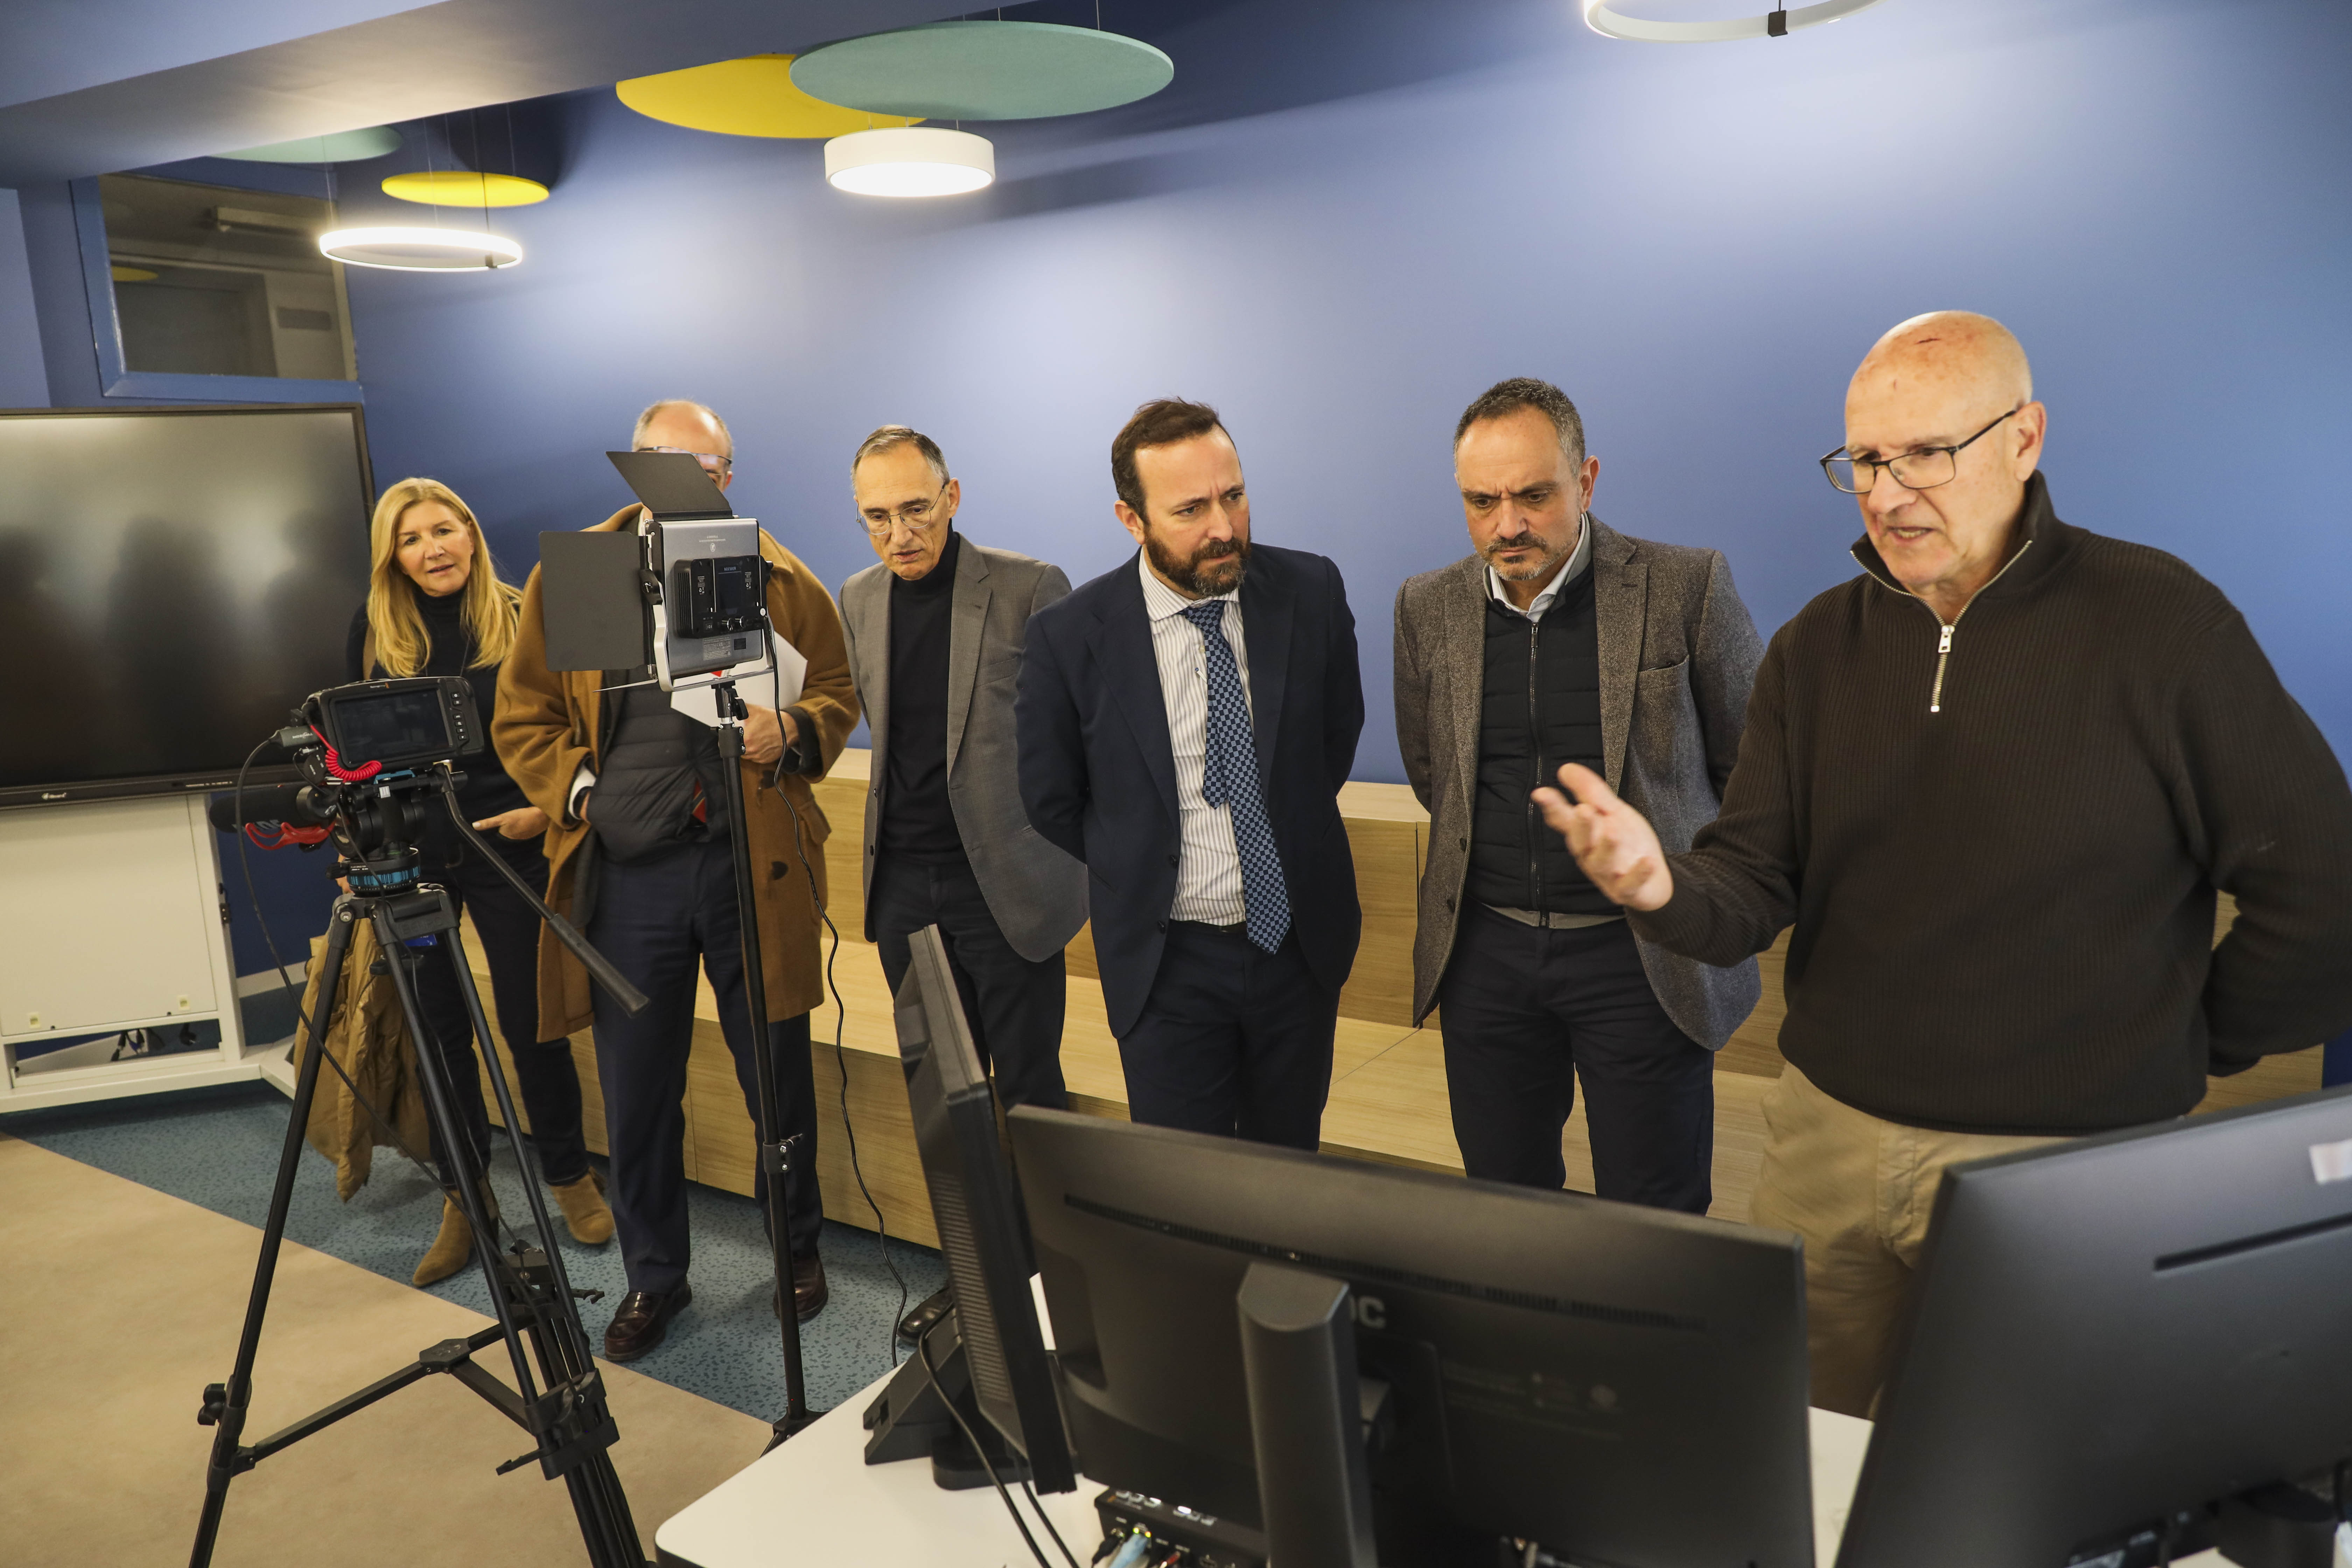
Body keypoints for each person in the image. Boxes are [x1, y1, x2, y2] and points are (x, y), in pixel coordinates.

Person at [1537, 312, 2352, 1416]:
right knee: (1781, 1440)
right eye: (1867, 460)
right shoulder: (1818, 647)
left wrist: (2188, 1041)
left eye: (1926, 453)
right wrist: (1660, 885)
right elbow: (1754, 880)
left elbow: (2325, 892)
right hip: (1826, 1144)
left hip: (2064, 1165)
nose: (1887, 494)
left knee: (2018, 1464)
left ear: (2025, 438)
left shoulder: (2164, 625)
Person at [496, 400, 860, 1361]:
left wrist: (798, 729)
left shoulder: (778, 575)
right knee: (638, 1092)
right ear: (634, 463)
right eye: (661, 458)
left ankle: (796, 1250)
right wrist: (580, 794)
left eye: (703, 466)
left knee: (776, 1080)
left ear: (728, 478)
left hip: (751, 865)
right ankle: (655, 1276)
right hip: (630, 877)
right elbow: (525, 715)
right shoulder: (583, 573)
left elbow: (836, 689)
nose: (680, 478)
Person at [1394, 379, 1763, 1215]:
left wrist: (1689, 893)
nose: (1508, 524)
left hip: (1640, 955)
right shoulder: (1425, 605)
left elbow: (1751, 769)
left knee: (1656, 1210)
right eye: (1482, 501)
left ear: (1586, 480)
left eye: (1534, 495)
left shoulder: (1685, 585)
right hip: (1486, 954)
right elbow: (1434, 773)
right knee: (1506, 1202)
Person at [1017, 398, 1364, 1149]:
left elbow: (1336, 741)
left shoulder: (1311, 591)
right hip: (1164, 961)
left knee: (1288, 1169)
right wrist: (1138, 856)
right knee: (1181, 1185)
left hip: (1295, 947)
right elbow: (1051, 798)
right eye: (1190, 509)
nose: (1223, 528)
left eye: (1233, 495)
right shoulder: (1068, 636)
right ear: (1132, 519)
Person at [836, 424, 1086, 1344]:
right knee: (944, 1106)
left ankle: (1059, 1283)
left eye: (914, 509)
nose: (898, 534)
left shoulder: (1030, 587)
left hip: (1005, 888)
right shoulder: (858, 598)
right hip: (904, 888)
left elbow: (1079, 733)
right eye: (876, 517)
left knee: (1028, 1092)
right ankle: (980, 1279)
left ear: (951, 496)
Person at [348, 478, 612, 1287]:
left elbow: (577, 728)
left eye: (445, 529)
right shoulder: (373, 633)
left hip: (512, 845)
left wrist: (546, 807)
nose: (433, 549)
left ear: (471, 533)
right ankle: (466, 1197)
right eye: (411, 538)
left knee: (535, 1024)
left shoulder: (523, 613)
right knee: (439, 1030)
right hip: (414, 856)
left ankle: (568, 1174)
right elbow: (352, 752)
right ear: (393, 557)